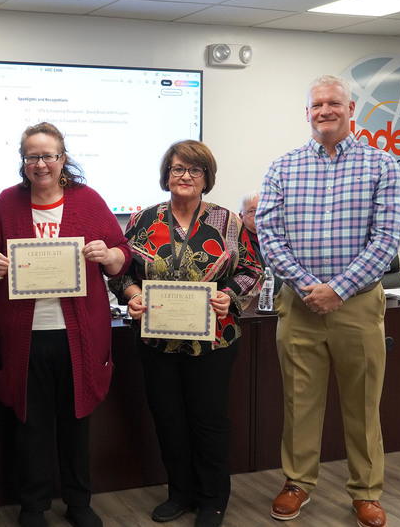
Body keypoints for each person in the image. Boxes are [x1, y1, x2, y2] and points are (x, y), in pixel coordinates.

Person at [256, 75, 400, 527]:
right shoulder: (282, 168)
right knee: (299, 402)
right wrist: (308, 286)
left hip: (357, 306)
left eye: (333, 103)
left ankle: (365, 491)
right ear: (307, 113)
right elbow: (269, 235)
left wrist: (338, 288)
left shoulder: (382, 165)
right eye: (317, 104)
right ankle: (297, 483)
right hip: (298, 305)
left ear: (351, 108)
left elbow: (387, 239)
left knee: (363, 404)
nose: (325, 110)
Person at [0, 122, 132, 527]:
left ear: (63, 159)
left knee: (77, 423)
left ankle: (79, 503)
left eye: (48, 155)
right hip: (24, 336)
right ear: (23, 162)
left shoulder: (88, 201)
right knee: (31, 425)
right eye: (31, 156)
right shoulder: (8, 202)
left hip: (79, 335)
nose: (40, 164)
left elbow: (122, 256)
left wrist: (107, 254)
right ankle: (33, 507)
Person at [108, 140, 262, 527]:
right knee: (169, 419)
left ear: (206, 177)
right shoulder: (143, 220)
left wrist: (229, 295)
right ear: (167, 175)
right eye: (178, 169)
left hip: (213, 341)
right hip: (157, 341)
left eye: (195, 170)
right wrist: (132, 295)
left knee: (208, 421)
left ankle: (212, 500)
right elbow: (121, 271)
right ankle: (180, 493)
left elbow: (251, 270)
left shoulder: (228, 221)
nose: (186, 176)